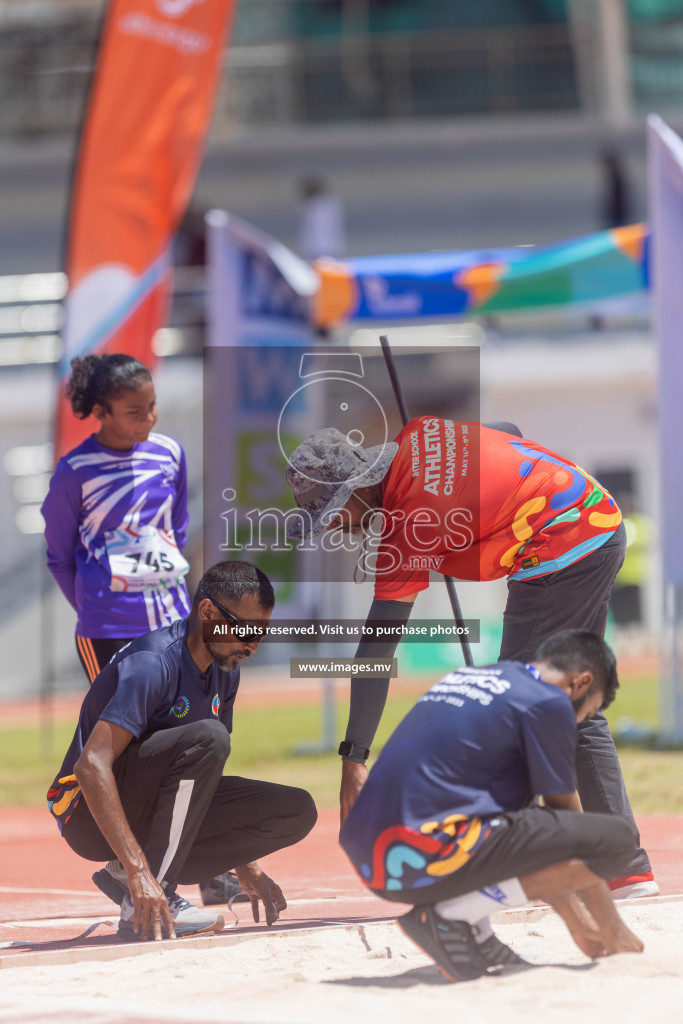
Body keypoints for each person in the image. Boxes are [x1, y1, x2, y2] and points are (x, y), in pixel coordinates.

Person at [285, 419, 657, 898]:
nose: (336, 525)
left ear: (358, 488)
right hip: (591, 518)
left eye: (333, 513)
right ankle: (619, 865)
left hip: (563, 544)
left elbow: (377, 647)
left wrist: (354, 759)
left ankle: (522, 868)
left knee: (517, 707)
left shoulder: (408, 525)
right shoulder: (417, 435)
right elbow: (506, 430)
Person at [339, 631, 644, 982]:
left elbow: (539, 839)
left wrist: (577, 923)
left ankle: (477, 933)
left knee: (508, 819)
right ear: (581, 682)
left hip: (376, 862)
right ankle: (453, 915)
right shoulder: (549, 701)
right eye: (587, 712)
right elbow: (571, 833)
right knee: (615, 840)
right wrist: (610, 929)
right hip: (420, 858)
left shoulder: (470, 677)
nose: (577, 725)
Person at [46, 561, 317, 941]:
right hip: (86, 815)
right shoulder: (152, 662)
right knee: (209, 737)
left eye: (262, 634)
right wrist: (139, 870)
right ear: (207, 612)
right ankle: (145, 891)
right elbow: (91, 765)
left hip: (148, 808)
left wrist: (245, 865)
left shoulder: (227, 672)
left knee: (297, 810)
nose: (253, 646)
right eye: (246, 631)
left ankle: (144, 874)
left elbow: (197, 781)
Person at [42, 353, 192, 684]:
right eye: (134, 412)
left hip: (174, 620)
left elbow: (178, 532)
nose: (149, 418)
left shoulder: (170, 454)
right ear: (101, 413)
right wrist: (91, 607)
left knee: (184, 729)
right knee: (121, 733)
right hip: (108, 629)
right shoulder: (75, 472)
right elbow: (59, 557)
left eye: (152, 406)